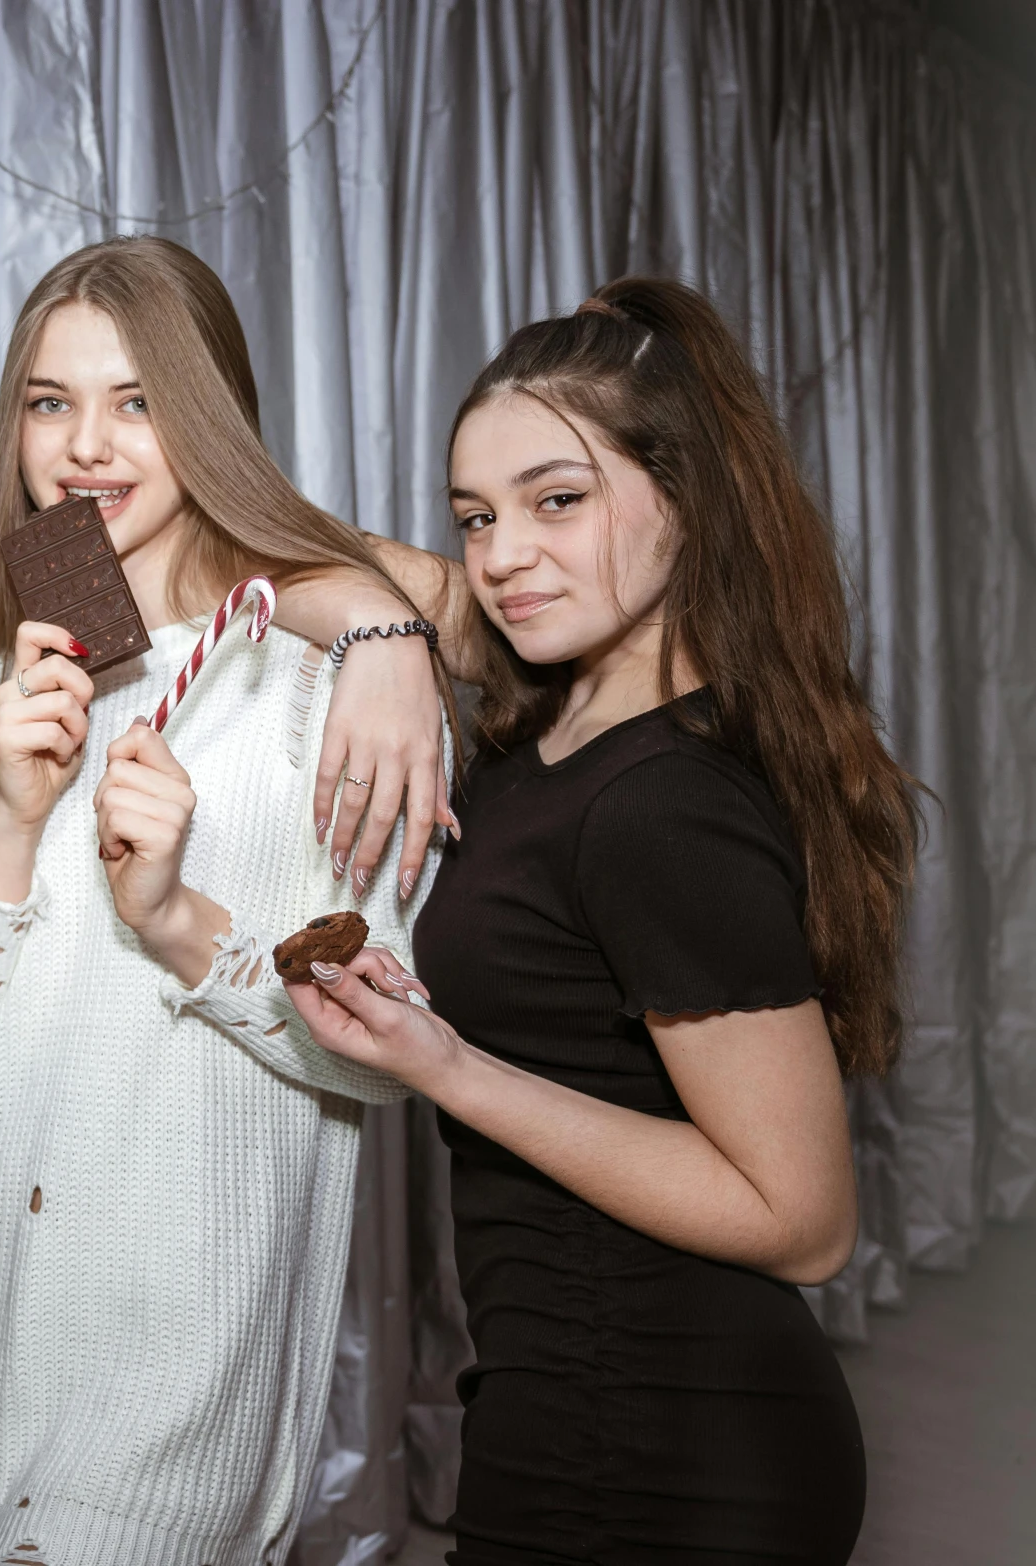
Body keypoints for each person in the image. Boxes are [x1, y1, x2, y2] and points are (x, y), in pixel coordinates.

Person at [287, 278, 919, 1564]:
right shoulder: (563, 713)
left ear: (684, 496)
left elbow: (806, 1224)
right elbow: (272, 557)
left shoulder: (660, 804)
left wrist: (450, 1071)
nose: (505, 553)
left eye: (556, 500)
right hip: (555, 1407)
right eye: (475, 514)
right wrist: (380, 635)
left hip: (668, 1455)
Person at [0, 235, 455, 1565]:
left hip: (175, 1391)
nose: (87, 444)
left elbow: (386, 1061)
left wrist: (174, 917)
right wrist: (15, 828)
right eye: (49, 401)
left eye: (137, 400)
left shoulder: (324, 694)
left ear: (209, 417)